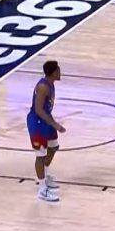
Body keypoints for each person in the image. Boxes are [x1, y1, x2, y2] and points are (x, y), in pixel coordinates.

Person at [29, 60, 65, 202]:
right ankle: (42, 189)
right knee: (41, 154)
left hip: (45, 119)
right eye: (58, 70)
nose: (60, 73)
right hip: (37, 122)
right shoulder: (43, 87)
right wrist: (55, 124)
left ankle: (43, 174)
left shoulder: (51, 84)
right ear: (53, 72)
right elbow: (38, 110)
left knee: (54, 147)